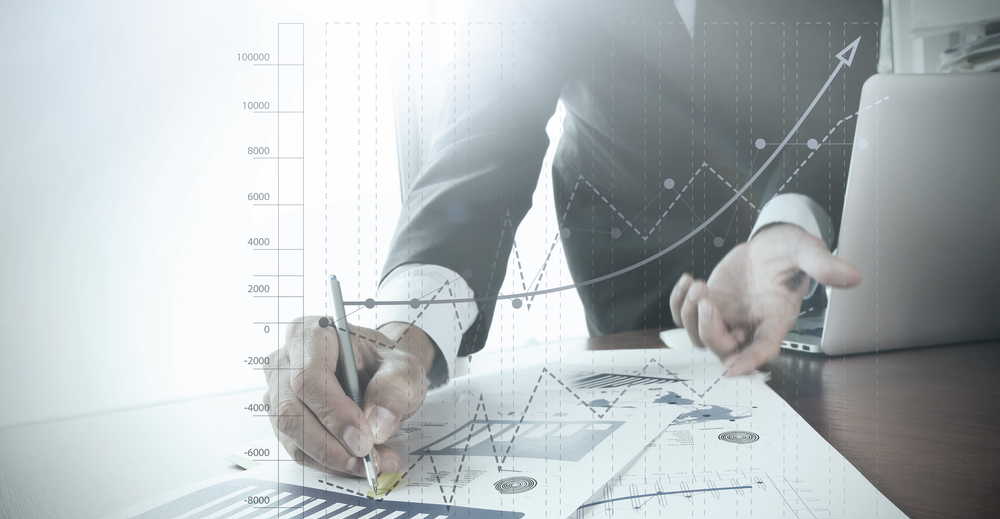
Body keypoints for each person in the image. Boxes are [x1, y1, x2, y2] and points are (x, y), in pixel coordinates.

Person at [264, 0, 879, 477]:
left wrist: (786, 224)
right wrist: (400, 334)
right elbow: (485, 132)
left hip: (812, 283)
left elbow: (843, 96)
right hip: (631, 278)